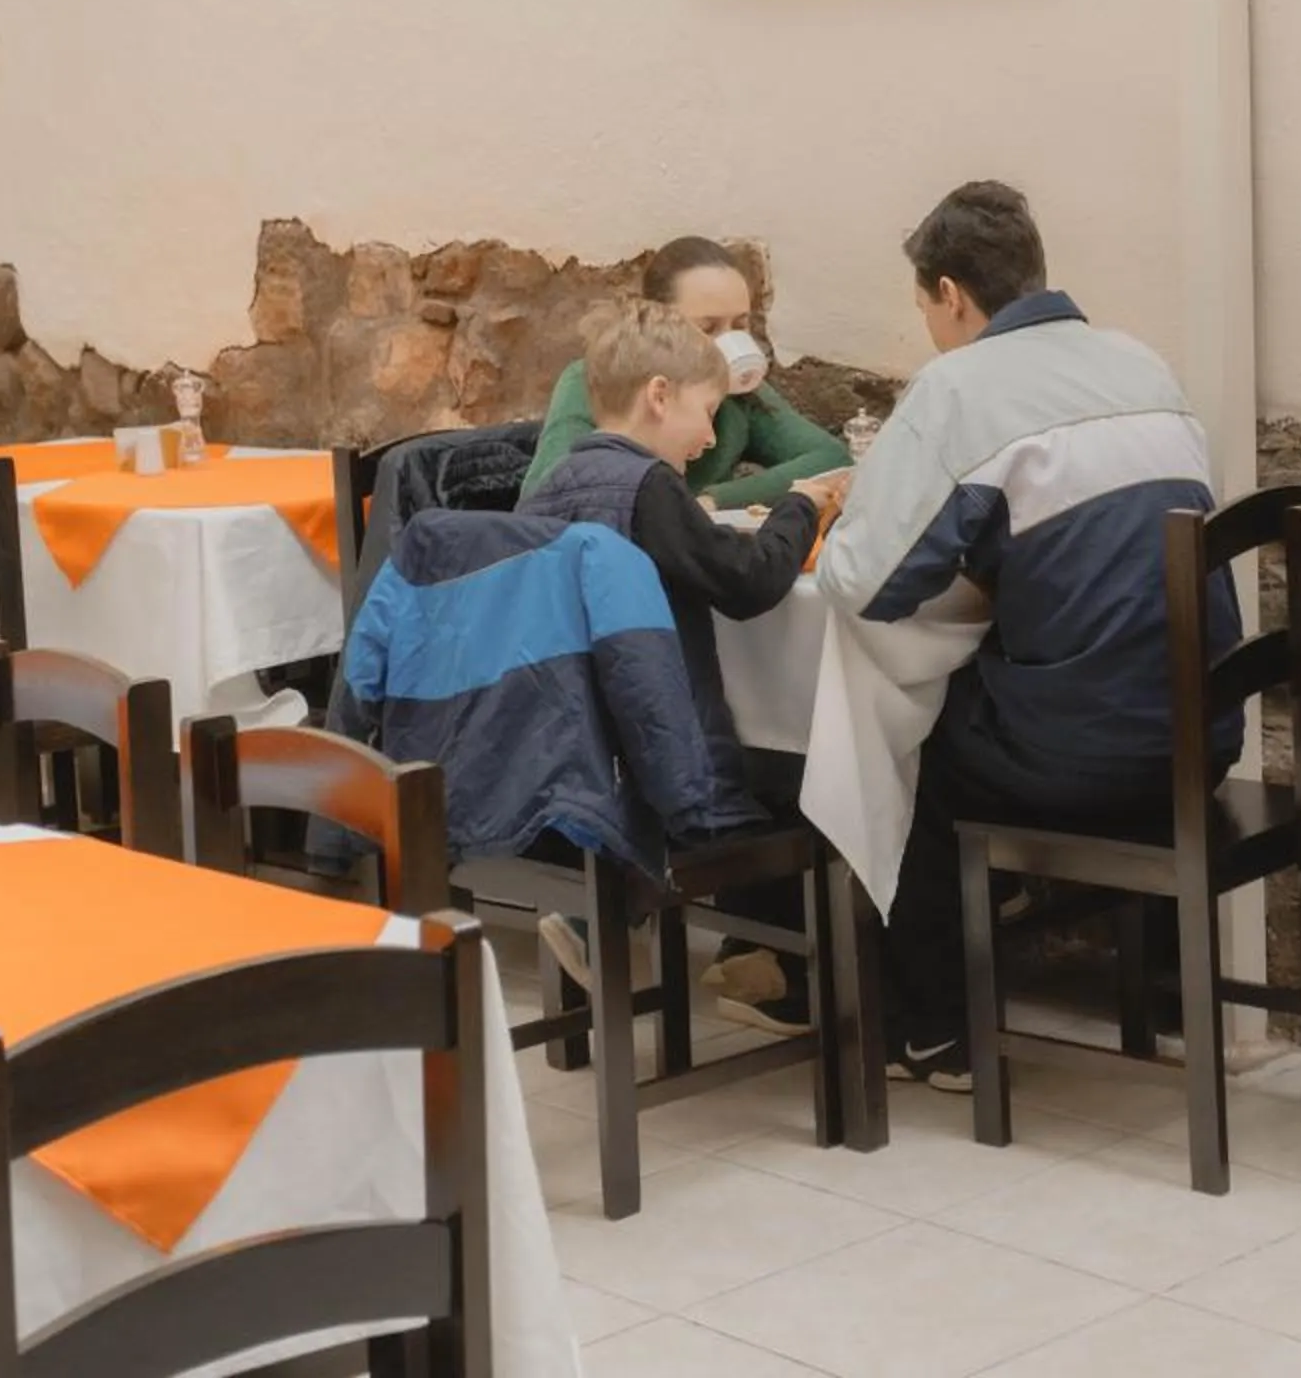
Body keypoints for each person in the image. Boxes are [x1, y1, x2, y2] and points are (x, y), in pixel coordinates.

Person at [815, 182, 1232, 1088]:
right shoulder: (1138, 362)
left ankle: (932, 1028)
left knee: (913, 743)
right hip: (1204, 731)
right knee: (1026, 686)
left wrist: (859, 512)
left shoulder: (960, 387)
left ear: (951, 294)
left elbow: (867, 583)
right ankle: (1158, 997)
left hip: (1081, 752)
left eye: (924, 306)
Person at [519, 298, 848, 1034]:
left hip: (585, 761)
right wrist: (801, 506)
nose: (709, 437)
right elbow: (750, 584)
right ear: (658, 396)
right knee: (816, 772)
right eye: (705, 412)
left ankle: (606, 908)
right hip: (672, 776)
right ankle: (793, 981)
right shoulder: (649, 489)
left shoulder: (556, 487)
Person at [523, 236, 849, 505]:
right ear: (659, 323)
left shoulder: (742, 391)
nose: (728, 344)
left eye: (740, 325)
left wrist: (713, 501)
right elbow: (543, 495)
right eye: (708, 328)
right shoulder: (594, 380)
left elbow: (830, 458)